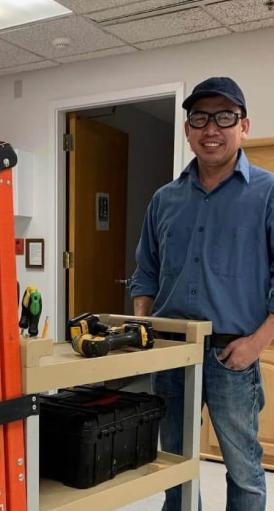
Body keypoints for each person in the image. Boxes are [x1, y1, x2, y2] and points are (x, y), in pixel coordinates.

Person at [130, 76, 274, 511]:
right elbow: (146, 272)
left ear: (243, 126)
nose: (211, 128)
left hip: (235, 352)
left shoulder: (268, 193)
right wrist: (144, 327)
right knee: (174, 462)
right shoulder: (164, 200)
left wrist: (259, 342)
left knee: (243, 467)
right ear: (188, 129)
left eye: (224, 116)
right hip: (173, 353)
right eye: (200, 117)